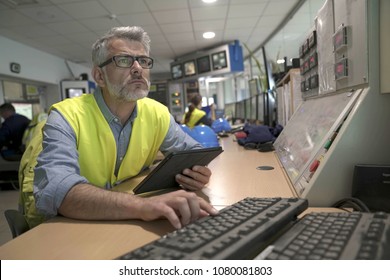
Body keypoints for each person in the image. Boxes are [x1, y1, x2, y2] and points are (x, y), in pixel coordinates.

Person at [24, 26, 218, 230]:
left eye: (143, 61)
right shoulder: (65, 116)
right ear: (99, 76)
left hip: (120, 220)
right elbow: (57, 191)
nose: (137, 68)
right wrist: (143, 206)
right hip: (60, 227)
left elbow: (195, 152)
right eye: (124, 60)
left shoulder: (157, 112)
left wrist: (196, 174)